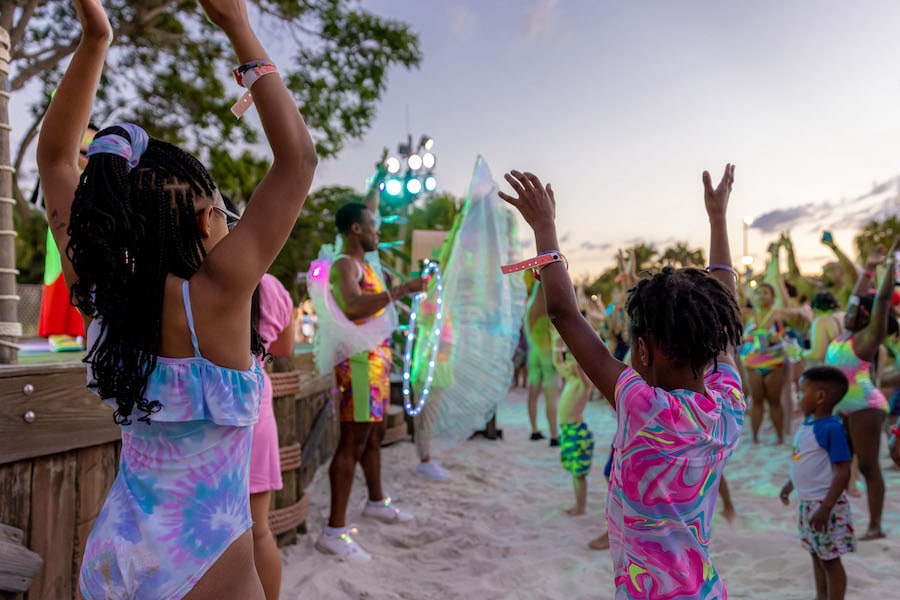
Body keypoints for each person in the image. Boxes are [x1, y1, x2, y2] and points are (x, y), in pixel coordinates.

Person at [36, 1, 317, 597]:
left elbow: (56, 159)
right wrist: (238, 27)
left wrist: (96, 37)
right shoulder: (217, 295)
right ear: (199, 224)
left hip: (115, 555)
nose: (228, 224)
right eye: (221, 213)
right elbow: (298, 160)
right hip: (207, 566)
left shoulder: (100, 295)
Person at [500, 165, 744, 598]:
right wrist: (719, 219)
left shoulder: (645, 407)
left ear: (644, 349)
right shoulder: (728, 404)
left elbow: (563, 314)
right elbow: (723, 317)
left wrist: (544, 227)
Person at [314, 202, 425, 562]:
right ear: (356, 229)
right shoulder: (344, 265)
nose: (378, 231)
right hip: (359, 365)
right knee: (352, 442)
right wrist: (401, 289)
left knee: (372, 437)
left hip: (374, 364)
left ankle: (376, 502)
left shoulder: (364, 265)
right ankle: (334, 532)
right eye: (372, 225)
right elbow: (352, 306)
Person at [824, 243, 898, 540]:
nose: (849, 310)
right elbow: (859, 296)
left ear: (867, 316)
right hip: (844, 407)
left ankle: (875, 526)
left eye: (855, 309)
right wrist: (868, 267)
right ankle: (840, 522)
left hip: (865, 406)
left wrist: (890, 265)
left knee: (868, 467)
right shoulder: (846, 334)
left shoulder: (867, 338)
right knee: (840, 466)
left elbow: (882, 301)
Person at [779, 366, 855, 600]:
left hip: (825, 506)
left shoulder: (831, 428)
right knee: (816, 554)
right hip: (808, 504)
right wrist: (790, 485)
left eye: (802, 392)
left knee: (830, 560)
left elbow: (843, 471)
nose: (799, 396)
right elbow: (804, 460)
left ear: (820, 396)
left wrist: (826, 507)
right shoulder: (808, 424)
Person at [249, 273, 295, 600]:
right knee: (258, 530)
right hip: (253, 402)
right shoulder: (270, 286)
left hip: (198, 410)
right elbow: (284, 347)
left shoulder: (189, 272)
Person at [552, 325, 594, 516]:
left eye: (572, 361)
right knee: (573, 472)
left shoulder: (583, 384)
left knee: (579, 474)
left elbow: (587, 380)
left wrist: (578, 359)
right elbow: (557, 362)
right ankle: (578, 504)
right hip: (568, 431)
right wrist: (556, 342)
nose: (568, 364)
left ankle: (581, 507)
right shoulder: (570, 379)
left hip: (578, 433)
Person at [525, 279, 560, 445]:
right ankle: (554, 435)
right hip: (548, 355)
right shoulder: (550, 308)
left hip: (533, 353)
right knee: (550, 397)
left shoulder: (530, 307)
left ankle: (534, 430)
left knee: (532, 394)